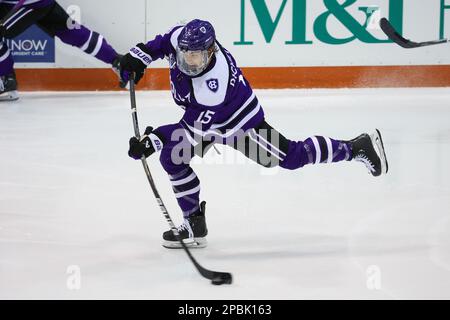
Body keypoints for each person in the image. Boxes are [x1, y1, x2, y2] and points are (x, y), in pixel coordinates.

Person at [119, 19, 389, 249]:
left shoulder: (211, 89)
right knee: (173, 159)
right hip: (206, 121)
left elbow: (188, 131)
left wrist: (153, 140)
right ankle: (194, 224)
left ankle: (357, 147)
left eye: (196, 57)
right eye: (186, 55)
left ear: (210, 52)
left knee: (292, 157)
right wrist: (138, 57)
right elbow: (163, 43)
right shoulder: (183, 38)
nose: (189, 62)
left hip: (240, 124)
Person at [0, 0, 124, 101]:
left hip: (27, 4)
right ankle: (117, 61)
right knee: (70, 31)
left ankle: (6, 80)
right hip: (42, 2)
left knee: (70, 31)